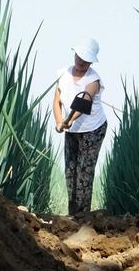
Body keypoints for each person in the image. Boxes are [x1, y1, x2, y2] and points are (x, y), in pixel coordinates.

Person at [53, 37, 107, 215]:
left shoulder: (94, 80)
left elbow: (84, 102)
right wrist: (60, 121)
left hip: (93, 129)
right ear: (75, 54)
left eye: (85, 60)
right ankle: (72, 213)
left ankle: (82, 216)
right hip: (72, 129)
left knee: (84, 171)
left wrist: (70, 120)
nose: (81, 62)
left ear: (91, 61)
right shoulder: (63, 74)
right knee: (70, 170)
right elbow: (57, 100)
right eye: (79, 57)